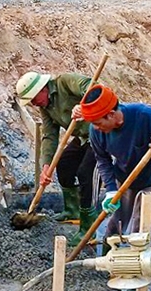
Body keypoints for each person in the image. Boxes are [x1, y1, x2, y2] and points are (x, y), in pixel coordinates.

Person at [75, 84, 151, 291]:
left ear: (111, 114)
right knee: (113, 226)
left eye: (99, 123)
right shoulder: (97, 131)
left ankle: (134, 286)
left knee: (140, 234)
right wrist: (110, 190)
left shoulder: (145, 116)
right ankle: (107, 267)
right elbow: (103, 161)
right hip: (124, 180)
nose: (97, 128)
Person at [15, 71, 97, 245]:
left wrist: (85, 107)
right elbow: (49, 137)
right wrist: (46, 165)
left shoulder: (65, 83)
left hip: (100, 131)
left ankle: (89, 228)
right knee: (64, 165)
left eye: (33, 98)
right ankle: (73, 210)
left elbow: (95, 88)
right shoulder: (46, 108)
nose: (34, 103)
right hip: (82, 136)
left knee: (85, 174)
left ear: (42, 89)